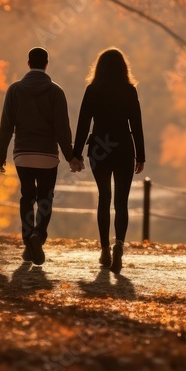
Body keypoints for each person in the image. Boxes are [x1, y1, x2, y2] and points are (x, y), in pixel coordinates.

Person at [0, 47, 83, 266]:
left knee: (27, 197)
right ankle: (38, 236)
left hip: (23, 154)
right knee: (45, 198)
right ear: (47, 64)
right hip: (47, 155)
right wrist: (70, 156)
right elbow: (62, 129)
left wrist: (0, 154)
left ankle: (27, 241)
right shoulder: (56, 92)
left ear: (28, 64)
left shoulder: (14, 90)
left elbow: (6, 126)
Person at [73, 48, 145, 273]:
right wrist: (141, 155)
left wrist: (76, 153)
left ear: (99, 67)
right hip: (124, 148)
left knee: (104, 197)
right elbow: (136, 124)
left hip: (99, 149)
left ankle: (104, 249)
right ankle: (119, 246)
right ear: (124, 68)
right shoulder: (129, 90)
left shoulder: (93, 89)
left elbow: (83, 122)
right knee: (121, 201)